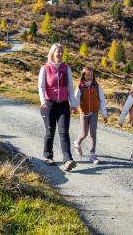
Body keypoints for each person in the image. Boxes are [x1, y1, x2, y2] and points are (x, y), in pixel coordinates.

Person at [38, 43, 78, 171]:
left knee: (64, 132)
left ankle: (68, 159)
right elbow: (41, 86)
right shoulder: (45, 68)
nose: (60, 54)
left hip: (63, 104)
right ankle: (48, 155)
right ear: (52, 53)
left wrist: (73, 104)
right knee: (50, 132)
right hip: (49, 104)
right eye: (58, 51)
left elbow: (70, 87)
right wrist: (43, 100)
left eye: (61, 51)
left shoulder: (66, 68)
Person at [73, 67, 108, 165]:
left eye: (91, 75)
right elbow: (76, 98)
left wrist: (104, 115)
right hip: (84, 113)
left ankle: (92, 155)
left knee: (93, 133)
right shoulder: (80, 86)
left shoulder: (96, 86)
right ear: (83, 75)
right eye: (87, 75)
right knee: (84, 134)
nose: (89, 77)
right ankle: (77, 142)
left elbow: (102, 101)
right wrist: (74, 107)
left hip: (94, 113)